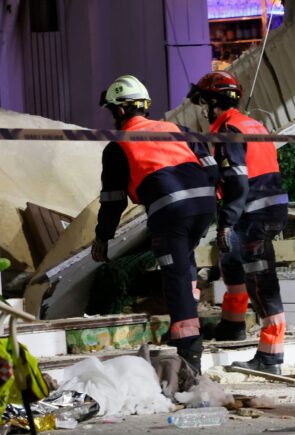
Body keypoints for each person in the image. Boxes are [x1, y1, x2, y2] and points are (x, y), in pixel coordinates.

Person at [91, 75, 218, 373]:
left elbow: (112, 200)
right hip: (204, 205)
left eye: (112, 112)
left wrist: (102, 237)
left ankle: (188, 353)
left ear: (120, 111)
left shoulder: (118, 146)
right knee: (184, 263)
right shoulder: (178, 130)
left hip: (170, 211)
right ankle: (183, 324)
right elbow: (211, 169)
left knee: (173, 277)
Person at [188, 71, 288, 375]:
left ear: (214, 101)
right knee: (231, 260)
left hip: (254, 214)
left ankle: (271, 358)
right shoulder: (250, 124)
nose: (202, 109)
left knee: (261, 282)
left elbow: (237, 182)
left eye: (204, 102)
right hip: (262, 210)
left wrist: (227, 221)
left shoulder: (229, 130)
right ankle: (232, 326)